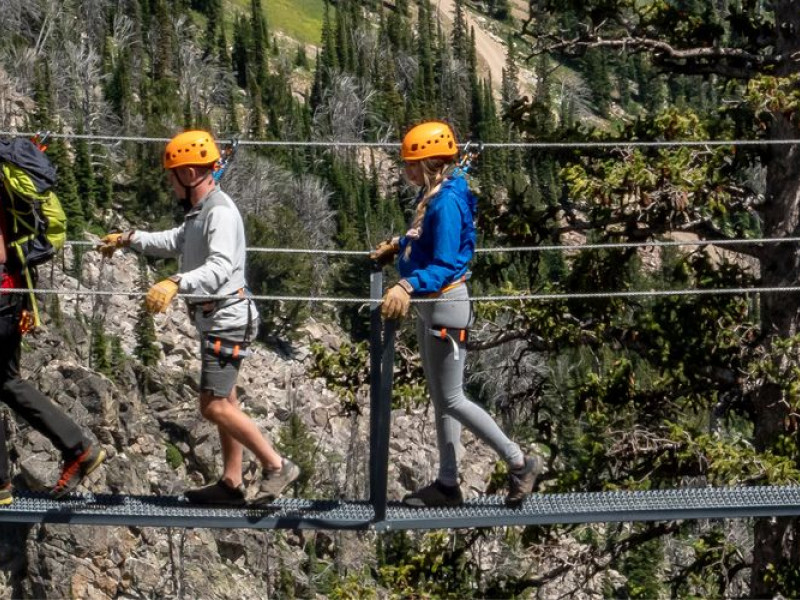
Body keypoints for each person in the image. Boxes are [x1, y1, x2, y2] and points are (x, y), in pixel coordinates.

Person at [97, 130, 299, 506]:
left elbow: (220, 268)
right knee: (228, 401)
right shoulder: (201, 212)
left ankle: (276, 465)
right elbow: (177, 240)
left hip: (226, 319)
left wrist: (176, 281)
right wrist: (131, 238)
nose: (169, 182)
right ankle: (231, 481)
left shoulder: (218, 212)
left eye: (172, 174)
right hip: (218, 317)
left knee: (213, 406)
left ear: (189, 173)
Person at [372, 120, 543, 508]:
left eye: (412, 164)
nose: (406, 170)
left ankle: (519, 462)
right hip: (434, 306)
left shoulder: (446, 200)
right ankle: (448, 483)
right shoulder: (439, 193)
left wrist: (407, 284)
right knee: (442, 396)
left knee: (452, 397)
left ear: (430, 163)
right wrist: (400, 247)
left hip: (445, 304)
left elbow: (447, 262)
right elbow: (429, 242)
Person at [0, 180, 105, 505]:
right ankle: (78, 449)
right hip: (10, 293)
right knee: (6, 381)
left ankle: (2, 484)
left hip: (3, 294)